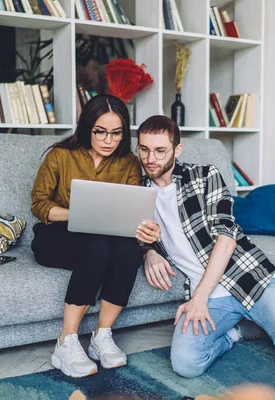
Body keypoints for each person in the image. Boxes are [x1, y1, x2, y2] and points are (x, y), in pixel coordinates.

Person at [136, 115, 275, 378]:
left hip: (248, 279)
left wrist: (198, 299)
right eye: (144, 149)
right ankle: (237, 332)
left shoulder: (204, 176)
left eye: (160, 150)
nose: (150, 158)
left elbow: (226, 238)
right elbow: (137, 235)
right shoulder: (137, 189)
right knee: (186, 364)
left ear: (177, 150)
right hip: (215, 300)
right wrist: (149, 252)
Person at [30, 95, 160, 378]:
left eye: (116, 133)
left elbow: (130, 211)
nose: (108, 140)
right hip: (56, 236)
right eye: (100, 131)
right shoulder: (60, 155)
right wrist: (78, 212)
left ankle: (102, 336)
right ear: (87, 126)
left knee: (126, 250)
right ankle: (66, 340)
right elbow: (39, 205)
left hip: (106, 236)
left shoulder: (128, 163)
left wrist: (146, 235)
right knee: (98, 247)